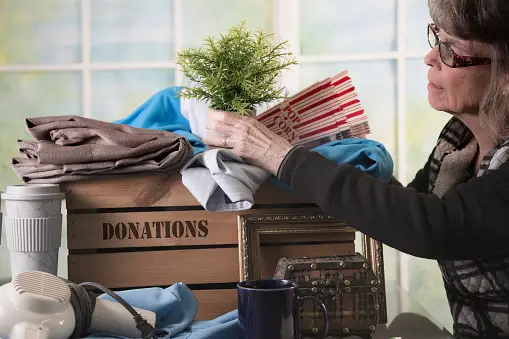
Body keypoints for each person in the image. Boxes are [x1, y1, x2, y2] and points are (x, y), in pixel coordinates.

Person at [203, 0, 509, 337]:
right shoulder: (458, 141)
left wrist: (281, 156)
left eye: (451, 50)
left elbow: (433, 225)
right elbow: (402, 206)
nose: (431, 57)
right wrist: (334, 156)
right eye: (436, 38)